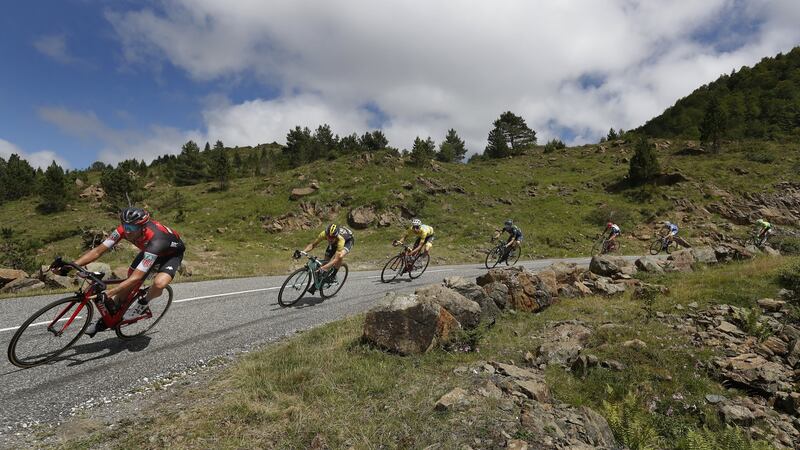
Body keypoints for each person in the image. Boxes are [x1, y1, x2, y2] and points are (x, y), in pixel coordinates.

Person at [60, 207, 185, 337]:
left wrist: (110, 292)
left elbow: (137, 277)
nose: (128, 231)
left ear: (142, 227)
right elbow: (98, 251)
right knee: (127, 287)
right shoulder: (123, 230)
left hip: (170, 254)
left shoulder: (157, 240)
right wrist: (71, 265)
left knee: (159, 283)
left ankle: (143, 303)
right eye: (125, 226)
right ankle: (106, 321)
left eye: (132, 228)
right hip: (149, 251)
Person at [302, 223, 354, 292]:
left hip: (348, 241)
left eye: (332, 237)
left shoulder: (341, 240)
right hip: (334, 243)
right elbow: (313, 245)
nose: (330, 239)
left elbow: (336, 259)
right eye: (328, 236)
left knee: (340, 256)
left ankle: (333, 275)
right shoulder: (323, 234)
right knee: (325, 262)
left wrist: (323, 268)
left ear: (336, 236)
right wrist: (302, 252)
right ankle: (317, 284)